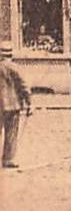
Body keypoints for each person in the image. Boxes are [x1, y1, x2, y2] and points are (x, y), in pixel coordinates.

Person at [0, 41, 32, 170]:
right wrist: (29, 103)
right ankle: (8, 159)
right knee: (11, 133)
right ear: (11, 54)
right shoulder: (15, 67)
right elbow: (23, 86)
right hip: (13, 105)